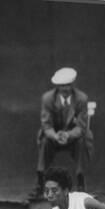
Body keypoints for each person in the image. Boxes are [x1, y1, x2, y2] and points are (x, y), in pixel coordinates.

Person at [30, 67, 93, 198]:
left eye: (68, 85)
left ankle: (81, 183)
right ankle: (40, 183)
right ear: (57, 86)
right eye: (62, 86)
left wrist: (68, 135)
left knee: (83, 141)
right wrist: (55, 135)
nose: (65, 89)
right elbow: (46, 124)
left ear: (72, 85)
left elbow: (81, 126)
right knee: (44, 141)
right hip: (53, 137)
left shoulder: (81, 98)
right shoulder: (47, 98)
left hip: (73, 137)